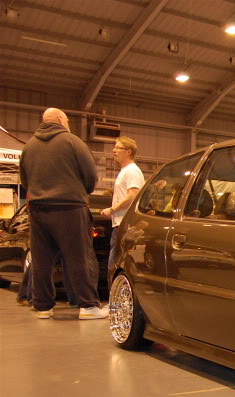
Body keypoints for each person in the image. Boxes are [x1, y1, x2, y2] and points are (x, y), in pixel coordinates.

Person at [19, 108, 108, 320]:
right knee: (78, 257)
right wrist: (78, 192)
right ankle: (87, 306)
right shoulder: (73, 142)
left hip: (38, 209)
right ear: (60, 120)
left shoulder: (29, 146)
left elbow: (24, 180)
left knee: (41, 260)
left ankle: (42, 307)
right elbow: (90, 176)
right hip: (69, 207)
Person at [101, 136, 144, 279]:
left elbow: (133, 195)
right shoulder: (125, 171)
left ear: (128, 152)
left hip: (124, 224)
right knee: (115, 262)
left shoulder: (131, 171)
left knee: (116, 263)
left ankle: (115, 299)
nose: (114, 150)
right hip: (120, 223)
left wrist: (112, 209)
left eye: (118, 147)